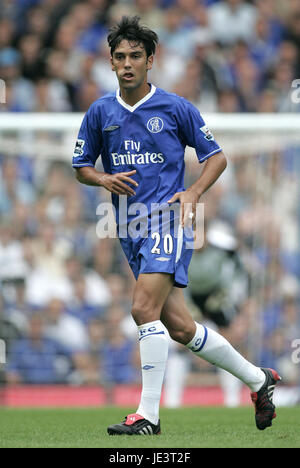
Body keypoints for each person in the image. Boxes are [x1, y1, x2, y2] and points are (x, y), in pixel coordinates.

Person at [73, 16, 281, 435]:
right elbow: (80, 166)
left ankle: (148, 415)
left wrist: (193, 193)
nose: (127, 63)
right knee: (180, 327)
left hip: (169, 219)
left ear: (151, 60)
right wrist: (102, 178)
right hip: (129, 226)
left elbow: (216, 157)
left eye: (135, 56)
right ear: (111, 63)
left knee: (141, 309)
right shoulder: (100, 112)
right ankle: (260, 380)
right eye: (119, 57)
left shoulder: (176, 107)